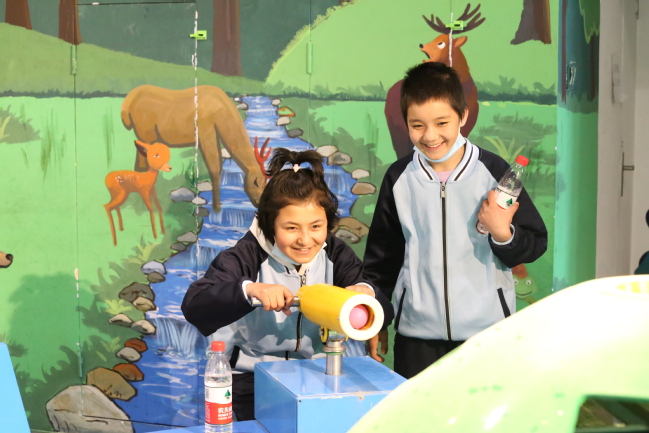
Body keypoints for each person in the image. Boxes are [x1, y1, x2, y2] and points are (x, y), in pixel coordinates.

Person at [363, 62, 548, 379]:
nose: (430, 136)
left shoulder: (493, 171)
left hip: (487, 336)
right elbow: (382, 260)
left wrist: (503, 233)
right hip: (416, 338)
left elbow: (535, 243)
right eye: (417, 125)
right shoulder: (398, 177)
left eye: (442, 123)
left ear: (463, 116)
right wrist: (376, 318)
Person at [182, 148, 394, 420]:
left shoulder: (336, 254)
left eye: (316, 226)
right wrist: (250, 289)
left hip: (320, 373)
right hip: (253, 380)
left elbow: (384, 311)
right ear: (270, 224)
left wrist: (365, 294)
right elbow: (195, 305)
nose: (305, 240)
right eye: (291, 228)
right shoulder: (245, 256)